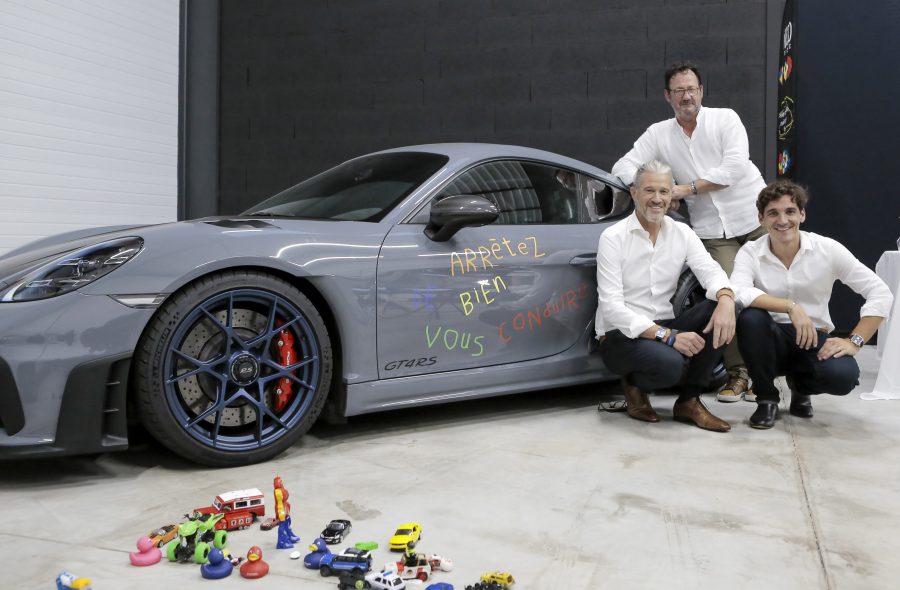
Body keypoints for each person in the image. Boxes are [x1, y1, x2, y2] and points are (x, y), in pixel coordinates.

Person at [611, 61, 766, 403]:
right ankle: (740, 374)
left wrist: (679, 191)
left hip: (755, 220)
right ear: (668, 96)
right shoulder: (658, 134)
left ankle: (771, 375)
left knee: (775, 293)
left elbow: (734, 168)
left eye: (691, 88)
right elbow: (622, 167)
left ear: (701, 91)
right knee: (731, 298)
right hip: (714, 231)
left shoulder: (725, 119)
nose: (686, 96)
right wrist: (655, 191)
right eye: (679, 90)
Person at [731, 180, 893, 428]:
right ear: (761, 218)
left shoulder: (827, 249)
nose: (782, 220)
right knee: (750, 318)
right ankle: (766, 399)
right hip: (768, 339)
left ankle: (801, 386)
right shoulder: (751, 252)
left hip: (813, 337)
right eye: (773, 213)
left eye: (790, 211)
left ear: (802, 214)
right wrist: (790, 307)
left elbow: (880, 292)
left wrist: (855, 341)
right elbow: (739, 291)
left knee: (844, 377)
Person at [596, 160, 736, 432]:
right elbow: (611, 307)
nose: (657, 199)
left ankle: (689, 401)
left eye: (663, 191)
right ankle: (633, 385)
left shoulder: (682, 232)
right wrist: (669, 337)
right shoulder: (613, 237)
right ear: (634, 193)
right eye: (649, 191)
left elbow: (710, 270)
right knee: (671, 366)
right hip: (620, 335)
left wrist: (727, 298)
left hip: (664, 324)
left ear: (672, 195)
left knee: (722, 306)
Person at [273, 475, 301, 549]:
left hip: (285, 508)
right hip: (281, 510)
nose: (281, 482)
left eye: (281, 481)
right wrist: (281, 515)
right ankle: (281, 542)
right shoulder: (278, 491)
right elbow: (279, 504)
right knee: (282, 526)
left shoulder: (281, 489)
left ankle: (289, 536)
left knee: (287, 522)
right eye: (280, 481)